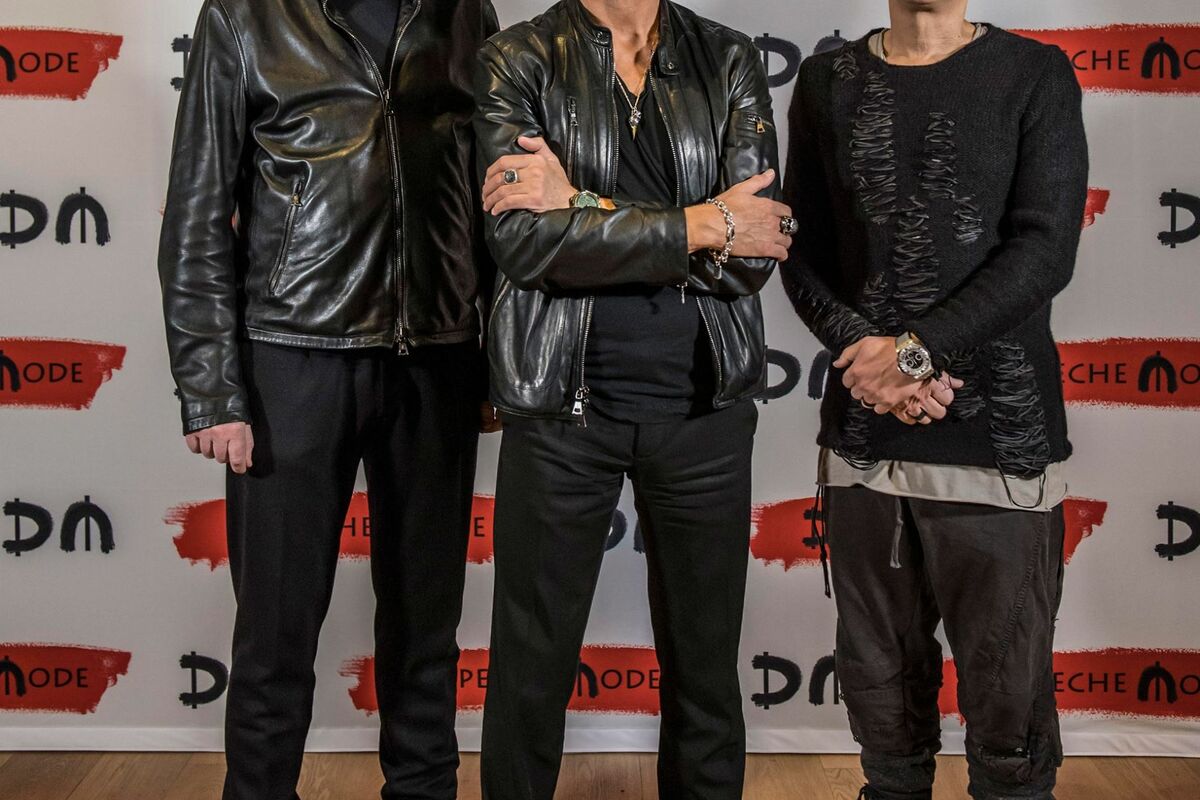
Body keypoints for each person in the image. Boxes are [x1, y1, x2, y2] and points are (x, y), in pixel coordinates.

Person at [158, 1, 499, 797]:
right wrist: (210, 388)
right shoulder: (243, 16)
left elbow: (486, 202)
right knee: (275, 638)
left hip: (438, 361)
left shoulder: (465, 11)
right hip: (290, 365)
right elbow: (196, 214)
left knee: (427, 634)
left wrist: (493, 362)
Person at [471, 0, 793, 797]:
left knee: (707, 676)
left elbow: (754, 250)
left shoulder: (727, 58)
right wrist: (704, 224)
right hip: (559, 409)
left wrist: (582, 206)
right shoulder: (519, 57)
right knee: (529, 675)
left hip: (705, 410)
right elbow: (524, 243)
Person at [780, 0, 1088, 797]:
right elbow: (801, 250)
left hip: (999, 444)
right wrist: (874, 363)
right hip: (866, 443)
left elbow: (1044, 250)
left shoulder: (1035, 74)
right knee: (882, 713)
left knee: (1010, 722)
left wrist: (913, 356)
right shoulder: (826, 80)